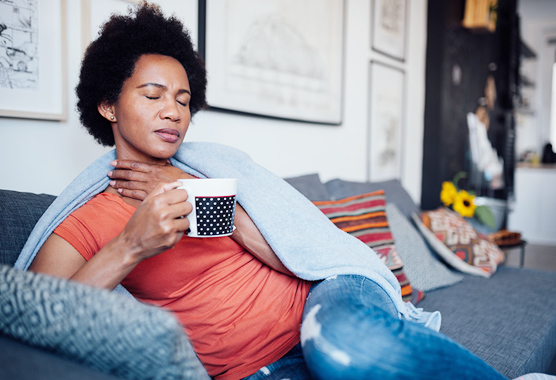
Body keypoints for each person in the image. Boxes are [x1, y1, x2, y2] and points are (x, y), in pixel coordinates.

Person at [24, 3, 554, 380]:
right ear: (108, 105)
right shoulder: (85, 219)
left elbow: (295, 254)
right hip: (260, 370)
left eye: (184, 99)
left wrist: (196, 193)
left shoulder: (211, 172)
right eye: (153, 94)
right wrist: (130, 246)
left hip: (326, 299)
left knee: (344, 344)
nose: (174, 111)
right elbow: (38, 324)